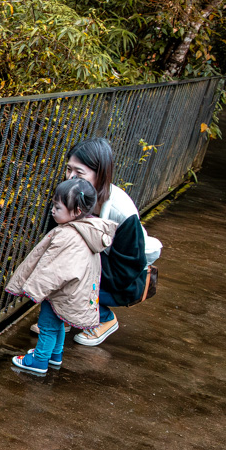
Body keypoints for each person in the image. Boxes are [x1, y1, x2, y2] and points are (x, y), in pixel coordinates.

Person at [5, 178, 116, 376]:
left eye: (57, 207)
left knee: (47, 326)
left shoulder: (67, 235)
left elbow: (53, 270)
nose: (53, 210)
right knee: (58, 325)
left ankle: (39, 361)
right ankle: (55, 355)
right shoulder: (88, 230)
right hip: (72, 292)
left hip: (59, 292)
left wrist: (35, 290)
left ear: (77, 211)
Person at [63, 137, 161, 346]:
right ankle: (65, 315)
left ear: (101, 176)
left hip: (126, 280)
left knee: (65, 275)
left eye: (79, 173)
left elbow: (126, 271)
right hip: (96, 267)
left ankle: (104, 319)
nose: (71, 177)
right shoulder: (70, 194)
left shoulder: (121, 212)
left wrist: (78, 276)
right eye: (68, 169)